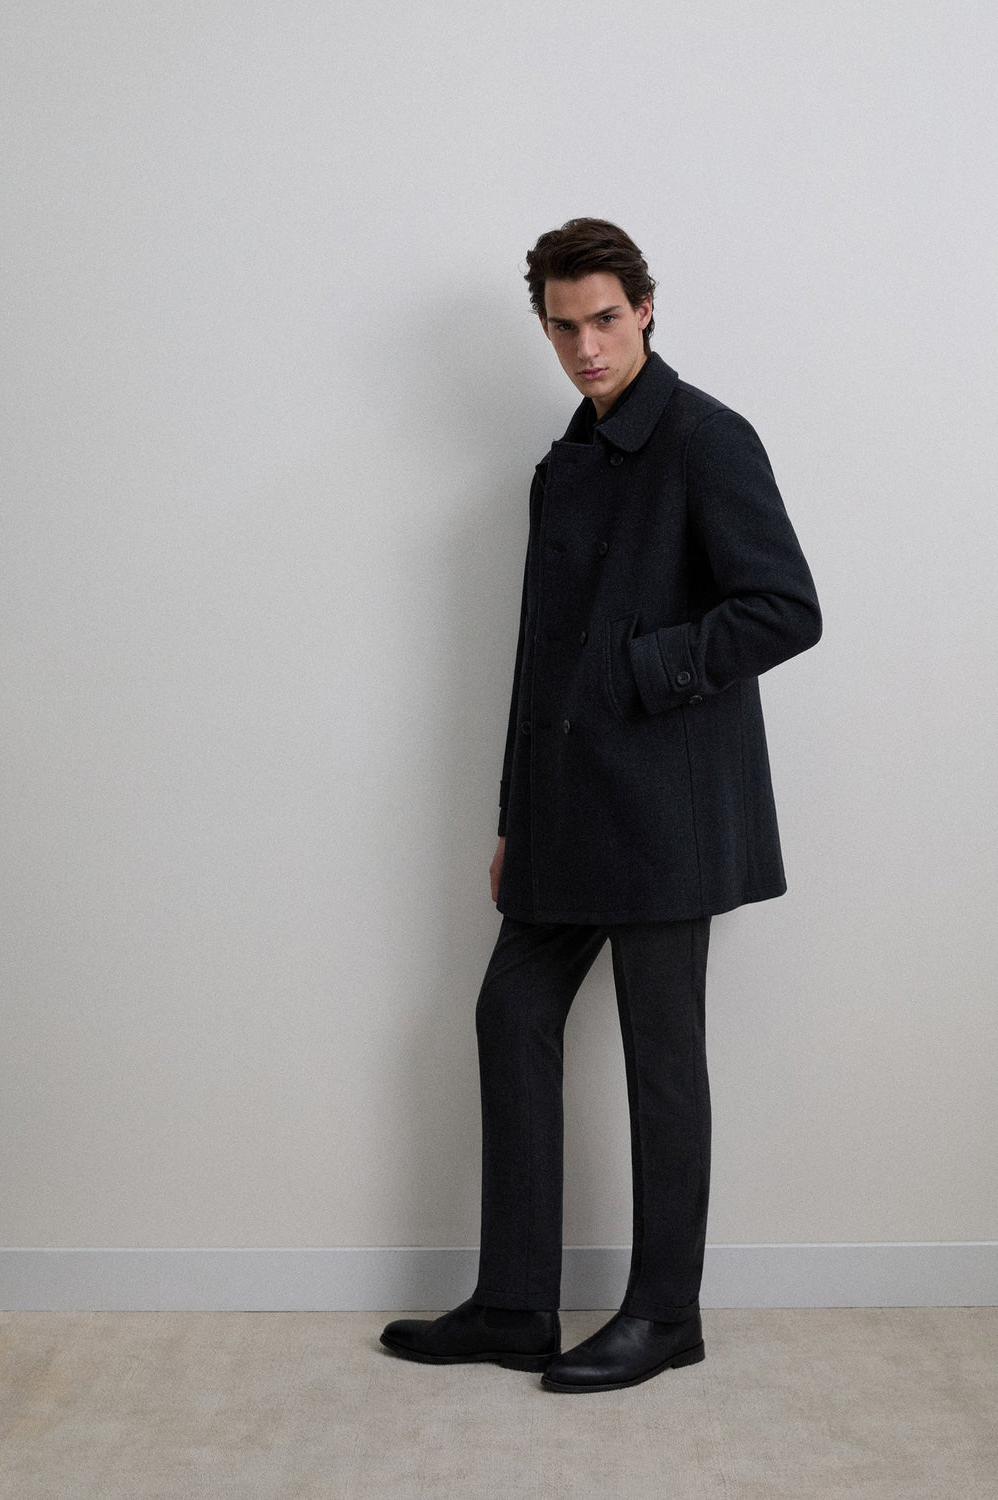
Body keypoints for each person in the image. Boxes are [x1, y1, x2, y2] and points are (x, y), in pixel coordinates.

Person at [381, 218, 822, 1393]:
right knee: (508, 1013)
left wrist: (642, 668)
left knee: (660, 1059)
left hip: (667, 809)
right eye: (564, 326)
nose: (586, 346)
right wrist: (512, 813)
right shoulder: (563, 463)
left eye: (605, 320)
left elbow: (785, 608)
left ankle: (665, 1315)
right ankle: (515, 1304)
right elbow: (537, 660)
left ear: (644, 310)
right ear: (544, 327)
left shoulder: (706, 439)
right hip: (567, 807)